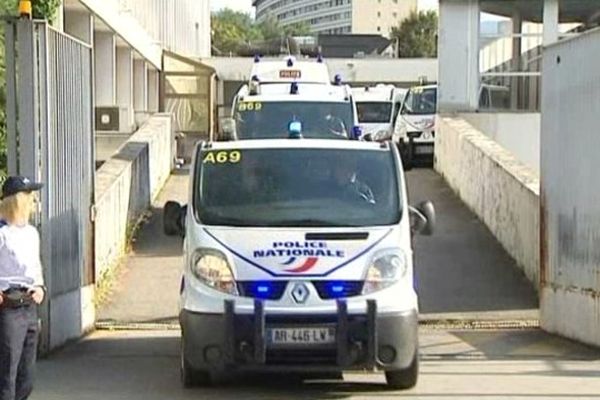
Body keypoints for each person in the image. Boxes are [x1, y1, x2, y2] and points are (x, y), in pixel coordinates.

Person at [0, 176, 45, 400]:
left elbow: (35, 266)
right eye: (29, 196)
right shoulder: (2, 232)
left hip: (28, 306)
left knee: (27, 376)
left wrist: (39, 287)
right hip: (8, 305)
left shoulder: (31, 233)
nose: (33, 201)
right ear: (17, 200)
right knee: (6, 373)